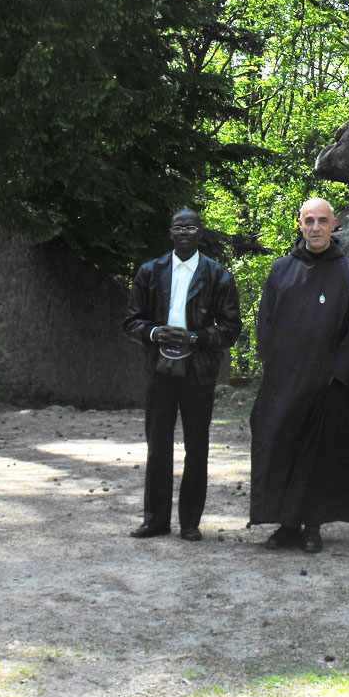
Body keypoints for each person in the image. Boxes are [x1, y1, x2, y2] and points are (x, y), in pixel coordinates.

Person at [249, 197, 349, 553]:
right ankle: (286, 524)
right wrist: (274, 365)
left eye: (322, 221)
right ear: (300, 225)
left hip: (328, 385)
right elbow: (265, 322)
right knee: (281, 447)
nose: (315, 227)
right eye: (309, 221)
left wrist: (336, 374)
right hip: (284, 381)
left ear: (334, 225)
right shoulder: (281, 270)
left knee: (321, 456)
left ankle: (312, 525)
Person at [123, 207, 241, 541]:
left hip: (198, 371)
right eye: (178, 227)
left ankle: (190, 522)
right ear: (170, 232)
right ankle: (155, 520)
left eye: (191, 227)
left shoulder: (217, 275)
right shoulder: (151, 271)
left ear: (200, 233)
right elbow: (131, 320)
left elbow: (231, 328)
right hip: (159, 370)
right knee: (157, 445)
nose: (184, 232)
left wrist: (195, 338)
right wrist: (154, 333)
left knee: (197, 446)